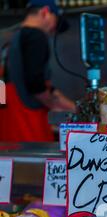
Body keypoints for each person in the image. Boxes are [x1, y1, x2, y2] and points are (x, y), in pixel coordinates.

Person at [0, 0, 76, 142]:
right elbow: (36, 86)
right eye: (55, 22)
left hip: (9, 123)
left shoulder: (13, 39)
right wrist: (54, 105)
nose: (53, 31)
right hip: (28, 124)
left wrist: (70, 106)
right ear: (45, 12)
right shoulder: (36, 36)